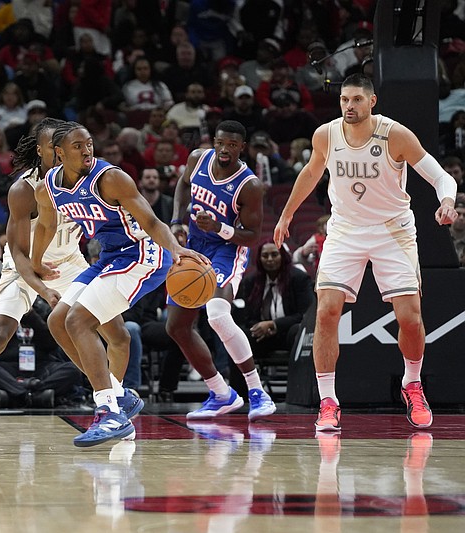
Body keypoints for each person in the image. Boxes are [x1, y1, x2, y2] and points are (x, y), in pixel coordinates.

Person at [0, 118, 141, 448]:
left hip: (71, 262)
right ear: (42, 150)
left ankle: (112, 409)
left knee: (120, 336)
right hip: (23, 267)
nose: (62, 152)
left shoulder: (91, 177)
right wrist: (42, 289)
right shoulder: (24, 189)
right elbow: (20, 254)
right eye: (53, 147)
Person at [273, 74, 459, 432]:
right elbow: (311, 173)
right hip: (345, 230)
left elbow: (440, 177)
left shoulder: (395, 135)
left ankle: (412, 383)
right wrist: (286, 214)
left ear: (371, 102)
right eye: (344, 100)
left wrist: (447, 201)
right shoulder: (326, 134)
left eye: (357, 100)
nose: (349, 107)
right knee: (326, 311)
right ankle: (328, 400)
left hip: (392, 231)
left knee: (410, 318)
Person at [31, 121, 205, 447]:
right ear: (58, 153)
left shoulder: (110, 178)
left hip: (143, 254)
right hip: (110, 257)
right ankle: (118, 394)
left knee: (77, 320)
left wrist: (176, 248)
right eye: (78, 146)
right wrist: (36, 261)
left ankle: (108, 411)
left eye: (89, 143)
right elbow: (45, 225)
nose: (87, 150)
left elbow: (152, 220)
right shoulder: (48, 188)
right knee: (57, 321)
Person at [168, 120, 277, 421]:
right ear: (213, 142)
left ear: (242, 148)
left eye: (232, 145)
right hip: (193, 246)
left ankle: (257, 392)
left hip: (227, 250)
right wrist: (177, 220)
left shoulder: (249, 185)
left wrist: (221, 228)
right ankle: (220, 393)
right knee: (176, 326)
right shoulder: (197, 158)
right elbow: (184, 184)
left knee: (216, 315)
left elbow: (253, 236)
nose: (224, 149)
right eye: (220, 143)